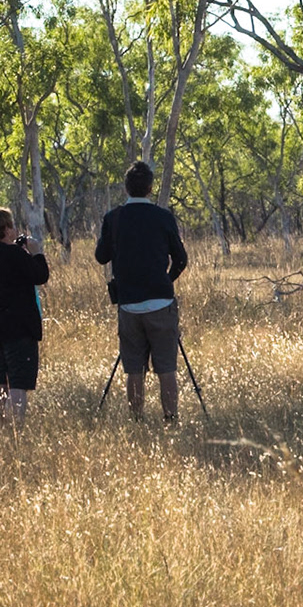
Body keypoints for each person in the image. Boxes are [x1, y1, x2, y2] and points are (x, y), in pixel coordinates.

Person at [95, 160, 189, 422]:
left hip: (129, 305)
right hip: (161, 302)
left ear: (126, 188)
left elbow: (101, 257)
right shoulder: (163, 217)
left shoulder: (113, 218)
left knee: (134, 369)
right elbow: (181, 258)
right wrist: (166, 281)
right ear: (150, 188)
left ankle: (137, 421)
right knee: (166, 367)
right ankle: (171, 419)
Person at [0, 207, 49, 423]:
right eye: (12, 225)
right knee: (18, 382)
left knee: (0, 379)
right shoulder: (15, 254)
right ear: (7, 230)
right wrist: (36, 252)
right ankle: (16, 428)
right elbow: (40, 275)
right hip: (18, 326)